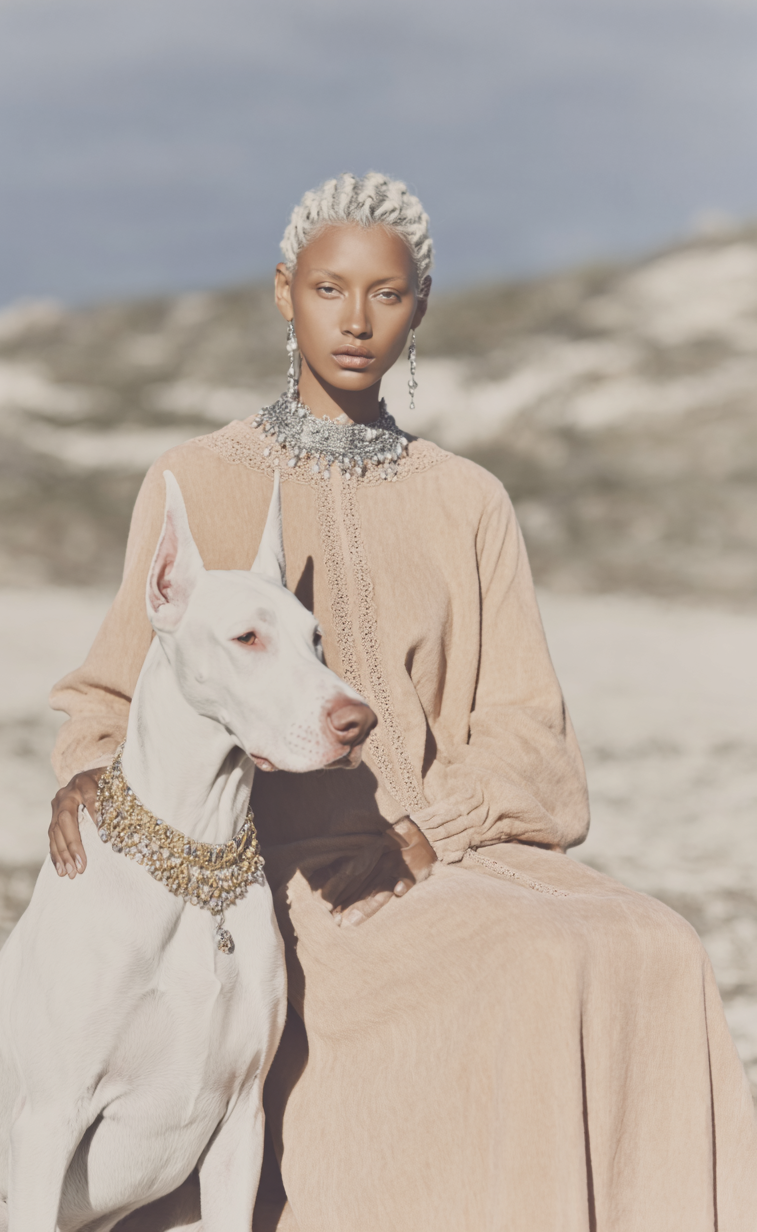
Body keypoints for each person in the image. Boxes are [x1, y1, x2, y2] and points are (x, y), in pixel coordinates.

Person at [47, 173, 757, 1232]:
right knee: (532, 956)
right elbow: (110, 685)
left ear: (419, 303)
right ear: (283, 292)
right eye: (329, 287)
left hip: (443, 848)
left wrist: (435, 829)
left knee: (656, 943)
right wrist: (83, 768)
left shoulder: (469, 499)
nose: (355, 318)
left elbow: (530, 730)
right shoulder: (194, 479)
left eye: (385, 293)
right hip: (275, 872)